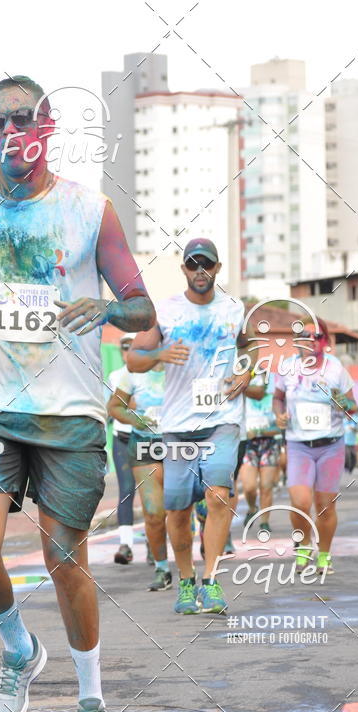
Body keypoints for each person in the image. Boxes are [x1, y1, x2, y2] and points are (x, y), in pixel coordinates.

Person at [0, 75, 156, 712]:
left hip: (70, 411)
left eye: (22, 118)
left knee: (64, 559)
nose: (10, 131)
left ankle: (92, 707)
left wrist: (109, 307)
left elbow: (141, 307)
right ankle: (19, 649)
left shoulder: (90, 210)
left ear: (47, 127)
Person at [127, 238, 256, 615]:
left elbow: (250, 347)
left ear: (217, 269)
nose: (200, 271)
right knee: (179, 511)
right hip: (179, 426)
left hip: (222, 420)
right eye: (193, 264)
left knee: (219, 496)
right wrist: (160, 353)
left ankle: (211, 580)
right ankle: (186, 581)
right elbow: (134, 359)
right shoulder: (166, 311)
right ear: (183, 269)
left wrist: (246, 372)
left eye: (207, 264)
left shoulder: (234, 308)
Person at [273, 317, 357, 574]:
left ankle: (324, 555)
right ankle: (303, 546)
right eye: (304, 336)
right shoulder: (287, 367)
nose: (309, 341)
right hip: (298, 444)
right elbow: (277, 398)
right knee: (300, 502)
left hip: (330, 445)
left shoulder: (335, 369)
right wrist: (279, 415)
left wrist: (341, 401)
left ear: (324, 341)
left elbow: (352, 406)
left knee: (325, 505)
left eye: (316, 336)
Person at [107, 364, 173, 590]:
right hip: (140, 441)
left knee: (179, 508)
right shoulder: (126, 373)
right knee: (151, 510)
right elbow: (113, 406)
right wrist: (135, 419)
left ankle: (187, 572)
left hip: (179, 441)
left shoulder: (184, 364)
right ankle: (160, 566)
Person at [107, 334, 137, 564]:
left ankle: (155, 543)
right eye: (124, 350)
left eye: (132, 349)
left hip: (149, 440)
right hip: (123, 438)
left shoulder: (156, 373)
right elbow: (113, 407)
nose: (127, 354)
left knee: (155, 493)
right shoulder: (115, 376)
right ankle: (125, 544)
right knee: (126, 489)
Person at [241, 373, 281, 533]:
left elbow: (281, 427)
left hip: (269, 444)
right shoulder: (243, 399)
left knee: (266, 486)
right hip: (248, 445)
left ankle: (264, 522)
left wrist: (259, 431)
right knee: (249, 487)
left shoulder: (274, 400)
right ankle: (252, 508)